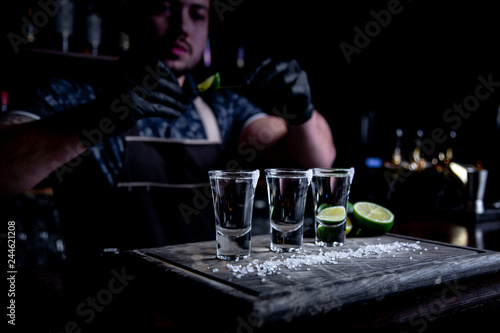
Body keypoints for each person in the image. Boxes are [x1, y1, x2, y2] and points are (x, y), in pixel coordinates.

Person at [0, 0, 335, 262]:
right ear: (132, 16)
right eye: (163, 8)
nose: (182, 28)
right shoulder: (72, 95)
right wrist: (99, 116)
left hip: (201, 299)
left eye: (197, 14)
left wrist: (302, 112)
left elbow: (316, 160)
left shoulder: (223, 107)